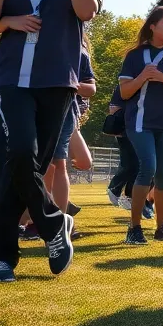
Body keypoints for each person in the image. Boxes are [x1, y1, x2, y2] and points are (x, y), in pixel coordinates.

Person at [0, 0, 102, 282]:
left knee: (25, 169)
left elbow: (86, 10)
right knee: (18, 155)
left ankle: (0, 260)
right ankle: (52, 224)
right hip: (12, 79)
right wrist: (5, 2)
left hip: (57, 83)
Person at [118, 5, 163, 245]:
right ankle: (134, 228)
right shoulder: (135, 55)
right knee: (147, 167)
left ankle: (162, 227)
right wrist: (143, 77)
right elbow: (125, 92)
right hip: (139, 122)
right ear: (153, 26)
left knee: (162, 174)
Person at [43, 48, 96, 229]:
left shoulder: (79, 53)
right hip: (32, 108)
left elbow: (91, 88)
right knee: (40, 165)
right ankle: (28, 218)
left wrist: (72, 84)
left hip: (66, 113)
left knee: (59, 163)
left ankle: (59, 221)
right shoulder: (33, 42)